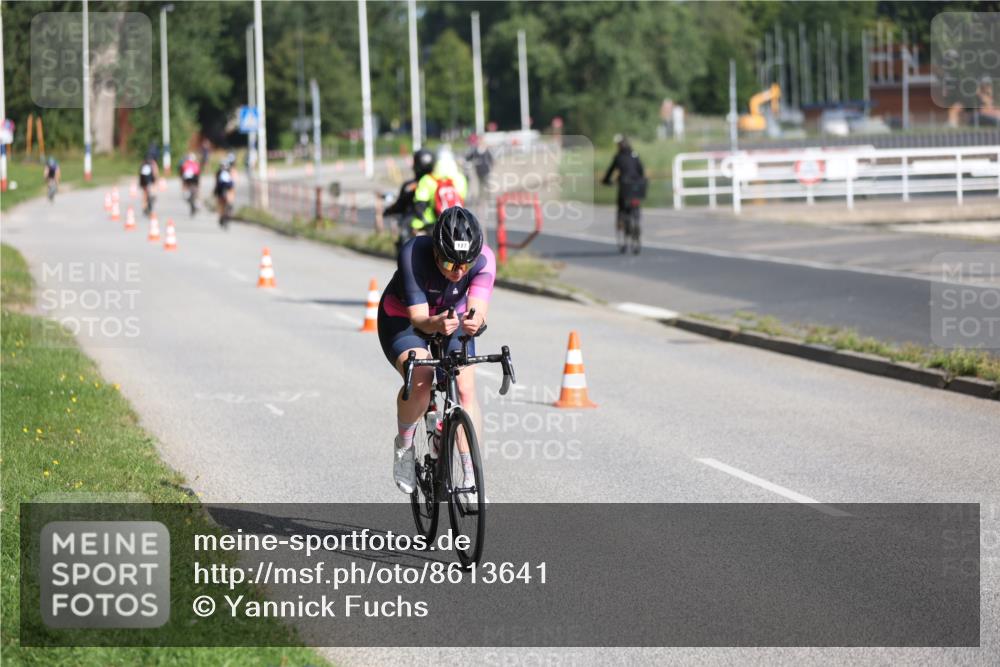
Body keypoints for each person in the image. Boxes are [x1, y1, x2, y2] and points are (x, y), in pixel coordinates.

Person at [377, 206, 495, 495]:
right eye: (449, 262)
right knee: (422, 378)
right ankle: (404, 447)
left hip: (449, 318)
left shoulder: (484, 260)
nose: (457, 272)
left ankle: (471, 474)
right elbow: (420, 320)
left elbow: (478, 311)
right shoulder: (414, 253)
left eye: (465, 265)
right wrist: (437, 323)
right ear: (435, 252)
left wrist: (473, 321)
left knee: (465, 389)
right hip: (404, 318)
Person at [385, 149, 435, 255]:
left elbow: (400, 205)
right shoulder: (437, 183)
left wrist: (387, 211)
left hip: (412, 227)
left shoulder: (409, 186)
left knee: (405, 254)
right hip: (435, 227)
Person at [412, 147, 468, 235]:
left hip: (430, 227)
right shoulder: (460, 179)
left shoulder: (427, 180)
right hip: (454, 228)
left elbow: (420, 205)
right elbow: (462, 201)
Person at [601, 134, 646, 215]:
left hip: (624, 182)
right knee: (636, 197)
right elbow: (641, 169)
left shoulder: (618, 156)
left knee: (621, 201)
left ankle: (621, 219)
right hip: (636, 182)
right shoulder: (635, 155)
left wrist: (605, 180)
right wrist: (641, 178)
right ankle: (635, 216)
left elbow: (610, 170)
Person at [464, 134, 494, 203]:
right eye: (479, 140)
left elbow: (491, 159)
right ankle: (481, 198)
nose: (479, 141)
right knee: (480, 184)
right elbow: (469, 157)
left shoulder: (486, 150)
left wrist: (490, 166)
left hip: (486, 170)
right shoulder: (476, 150)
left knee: (486, 183)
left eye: (481, 140)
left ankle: (488, 197)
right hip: (478, 170)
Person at [214, 153, 237, 228]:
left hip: (222, 190)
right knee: (228, 201)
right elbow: (233, 182)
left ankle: (222, 215)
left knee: (221, 204)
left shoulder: (218, 172)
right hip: (227, 189)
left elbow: (216, 183)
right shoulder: (230, 171)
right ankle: (227, 212)